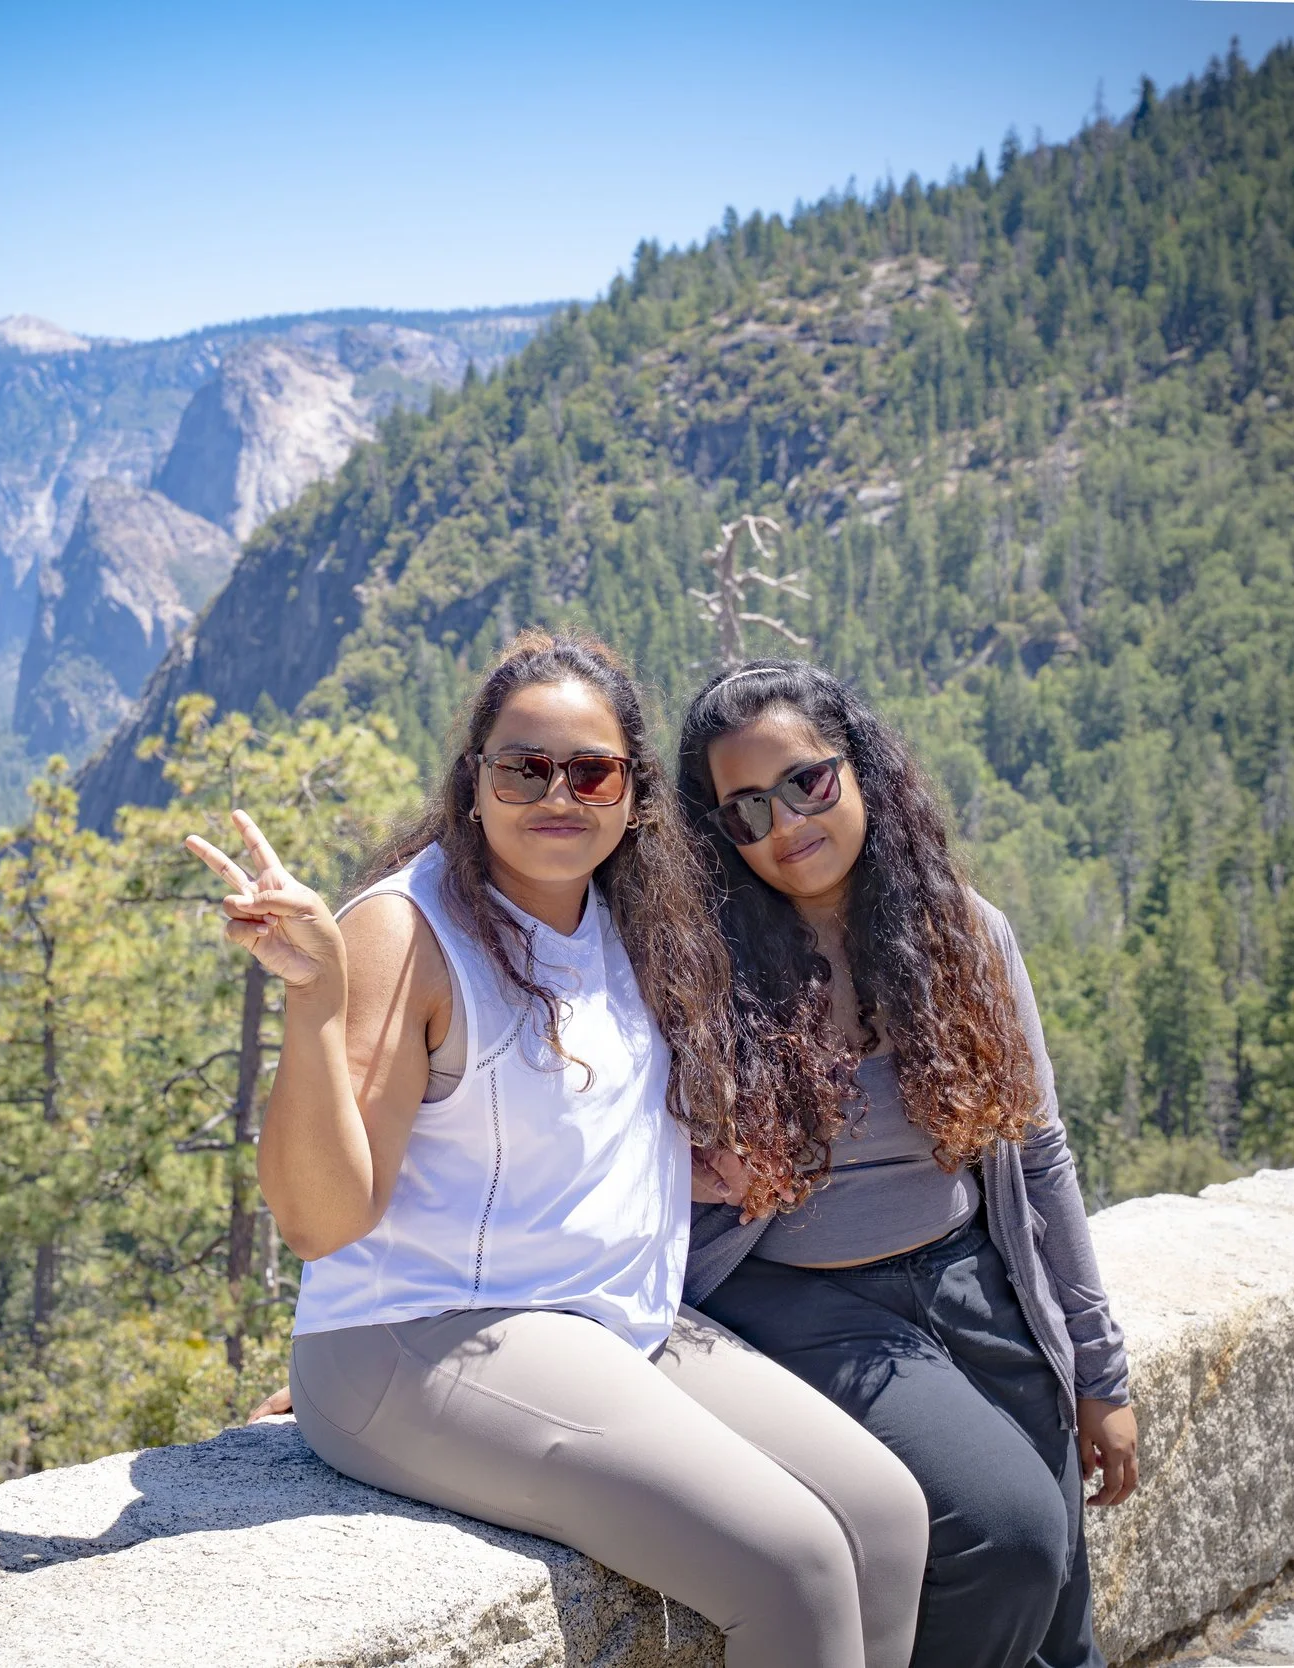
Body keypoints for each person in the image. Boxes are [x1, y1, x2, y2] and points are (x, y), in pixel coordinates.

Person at [184, 631, 927, 1668]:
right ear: (472, 783)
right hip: (431, 1334)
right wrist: (314, 1002)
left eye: (591, 770)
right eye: (523, 766)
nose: (558, 794)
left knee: (886, 1518)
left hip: (609, 1321)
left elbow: (576, 1122)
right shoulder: (408, 934)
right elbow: (323, 1219)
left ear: (631, 795)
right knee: (793, 1560)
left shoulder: (623, 915)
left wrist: (697, 1167)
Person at [672, 659, 1137, 1668]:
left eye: (805, 783)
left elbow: (1037, 1157)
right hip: (798, 1299)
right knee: (1011, 1540)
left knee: (1063, 1625)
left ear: (860, 770)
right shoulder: (698, 971)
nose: (784, 825)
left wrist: (1099, 1373)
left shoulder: (961, 933)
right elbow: (571, 1146)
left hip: (968, 1275)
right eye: (742, 811)